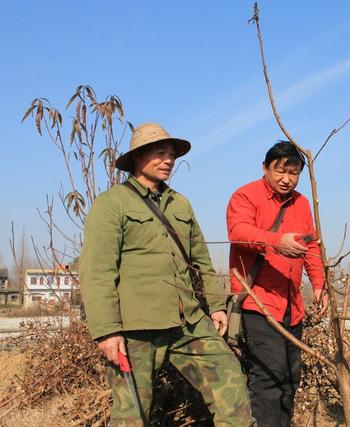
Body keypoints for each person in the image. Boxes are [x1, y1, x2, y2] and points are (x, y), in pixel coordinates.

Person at [80, 123, 255, 426]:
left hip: (187, 321)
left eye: (171, 155)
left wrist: (214, 305)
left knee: (231, 381)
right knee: (131, 414)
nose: (168, 160)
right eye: (160, 153)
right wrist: (107, 330)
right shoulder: (111, 204)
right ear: (137, 157)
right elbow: (97, 270)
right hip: (136, 328)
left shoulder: (180, 203)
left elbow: (200, 259)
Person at [226, 141, 329, 427]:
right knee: (269, 379)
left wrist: (319, 284)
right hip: (258, 304)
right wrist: (277, 242)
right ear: (265, 168)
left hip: (292, 305)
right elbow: (238, 232)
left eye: (294, 173)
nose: (287, 179)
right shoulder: (245, 196)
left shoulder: (302, 203)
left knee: (289, 380)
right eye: (280, 171)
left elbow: (312, 247)